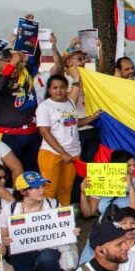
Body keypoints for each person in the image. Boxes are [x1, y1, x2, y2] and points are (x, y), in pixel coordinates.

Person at [2, 172, 69, 271]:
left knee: (46, 259)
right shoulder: (10, 209)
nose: (42, 190)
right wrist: (5, 240)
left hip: (47, 248)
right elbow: (3, 234)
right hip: (22, 252)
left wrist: (70, 231)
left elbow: (65, 226)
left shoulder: (53, 204)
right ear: (23, 192)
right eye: (36, 188)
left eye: (42, 186)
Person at [36, 75, 99, 206]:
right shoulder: (44, 107)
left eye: (62, 87)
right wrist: (63, 153)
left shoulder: (70, 103)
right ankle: (49, 222)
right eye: (55, 88)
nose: (59, 91)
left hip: (73, 153)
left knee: (66, 190)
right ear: (49, 90)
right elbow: (45, 132)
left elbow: (73, 123)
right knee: (49, 190)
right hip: (52, 153)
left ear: (67, 88)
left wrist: (92, 118)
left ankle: (64, 220)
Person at [0, 38, 43, 173]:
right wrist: (13, 62)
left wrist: (30, 34)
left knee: (32, 172)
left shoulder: (26, 77)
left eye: (17, 61)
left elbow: (35, 57)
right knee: (8, 172)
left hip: (33, 134)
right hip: (8, 135)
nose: (16, 64)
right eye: (8, 60)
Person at [79, 149, 135, 219]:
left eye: (134, 165)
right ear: (116, 167)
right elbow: (87, 213)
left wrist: (130, 185)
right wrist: (83, 193)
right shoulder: (101, 182)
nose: (133, 168)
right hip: (105, 226)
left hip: (128, 227)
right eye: (129, 166)